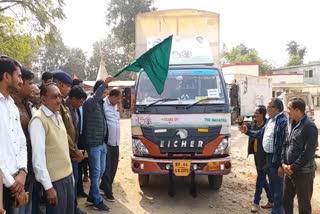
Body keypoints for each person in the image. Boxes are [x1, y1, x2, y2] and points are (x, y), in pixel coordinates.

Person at [29, 83, 74, 214]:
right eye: (54, 97)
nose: (59, 100)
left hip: (67, 177)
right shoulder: (38, 121)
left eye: (60, 96)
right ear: (43, 99)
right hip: (55, 182)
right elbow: (38, 159)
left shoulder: (57, 114)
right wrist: (48, 188)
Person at [240, 98, 287, 214]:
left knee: (277, 190)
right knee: (273, 187)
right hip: (268, 158)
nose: (267, 109)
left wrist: (281, 164)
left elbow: (284, 145)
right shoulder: (271, 121)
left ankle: (273, 209)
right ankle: (274, 207)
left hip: (275, 159)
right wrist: (246, 131)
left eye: (269, 107)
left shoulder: (282, 121)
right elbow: (260, 134)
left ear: (275, 109)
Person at [0, 56, 28, 214]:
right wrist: (12, 183)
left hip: (17, 180)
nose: (21, 81)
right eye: (19, 76)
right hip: (4, 185)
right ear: (6, 77)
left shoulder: (12, 105)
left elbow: (21, 141)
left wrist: (23, 171)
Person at [282, 97, 318, 214]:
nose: (287, 111)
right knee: (286, 201)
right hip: (288, 171)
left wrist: (293, 167)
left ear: (297, 110)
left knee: (303, 206)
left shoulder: (309, 126)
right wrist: (283, 163)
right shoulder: (291, 123)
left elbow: (308, 152)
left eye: (289, 108)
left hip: (303, 172)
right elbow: (286, 143)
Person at [82, 77, 113, 212]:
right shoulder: (90, 102)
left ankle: (91, 197)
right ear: (98, 90)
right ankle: (97, 201)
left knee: (100, 172)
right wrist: (104, 84)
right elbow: (95, 97)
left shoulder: (100, 104)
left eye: (106, 91)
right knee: (95, 173)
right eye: (104, 91)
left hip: (101, 144)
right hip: (93, 144)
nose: (106, 94)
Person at [11, 68, 35, 214]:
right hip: (16, 169)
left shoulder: (25, 104)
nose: (32, 86)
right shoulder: (11, 106)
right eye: (30, 83)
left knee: (28, 200)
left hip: (26, 163)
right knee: (18, 205)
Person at [51, 70, 84, 164]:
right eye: (68, 86)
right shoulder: (55, 105)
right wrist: (75, 151)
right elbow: (63, 131)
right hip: (65, 151)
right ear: (61, 85)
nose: (69, 89)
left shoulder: (62, 104)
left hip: (70, 149)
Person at [245, 106, 273, 213]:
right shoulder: (254, 123)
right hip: (257, 155)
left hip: (265, 156)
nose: (254, 114)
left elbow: (258, 135)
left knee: (260, 179)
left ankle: (256, 203)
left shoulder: (267, 126)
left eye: (256, 112)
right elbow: (247, 125)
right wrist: (240, 123)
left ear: (262, 114)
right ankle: (271, 200)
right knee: (262, 178)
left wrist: (247, 131)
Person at [65, 86, 88, 214]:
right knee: (72, 181)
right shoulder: (65, 109)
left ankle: (74, 207)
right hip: (69, 151)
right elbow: (66, 133)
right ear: (73, 98)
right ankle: (71, 209)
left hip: (76, 148)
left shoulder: (75, 108)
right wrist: (75, 151)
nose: (81, 104)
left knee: (76, 179)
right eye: (80, 101)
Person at [101, 87, 122, 202]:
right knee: (107, 168)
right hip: (107, 143)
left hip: (116, 142)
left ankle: (103, 186)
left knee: (114, 167)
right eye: (118, 98)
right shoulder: (104, 105)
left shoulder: (115, 106)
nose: (119, 101)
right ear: (112, 97)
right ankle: (108, 192)